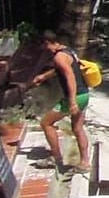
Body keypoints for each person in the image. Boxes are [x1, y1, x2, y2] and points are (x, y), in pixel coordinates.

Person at [30, 32, 90, 175]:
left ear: (47, 43)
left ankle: (56, 159)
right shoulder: (67, 51)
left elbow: (70, 77)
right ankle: (85, 163)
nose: (44, 50)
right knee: (77, 128)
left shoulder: (58, 57)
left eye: (43, 46)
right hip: (84, 94)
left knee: (46, 123)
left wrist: (72, 101)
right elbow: (61, 69)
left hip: (75, 96)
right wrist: (44, 76)